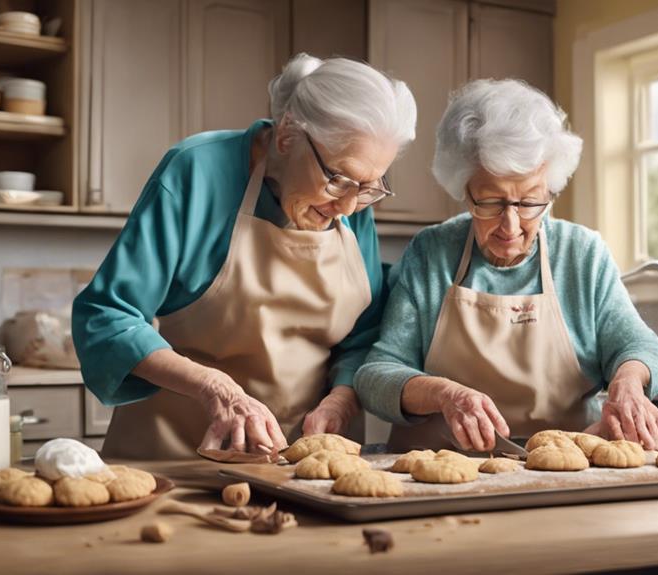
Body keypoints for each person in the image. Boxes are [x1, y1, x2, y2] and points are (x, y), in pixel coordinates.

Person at [73, 54, 417, 459]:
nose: (348, 207)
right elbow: (106, 316)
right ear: (288, 135)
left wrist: (342, 397)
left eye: (369, 187)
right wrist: (215, 388)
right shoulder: (196, 170)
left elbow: (362, 336)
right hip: (178, 459)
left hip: (303, 467)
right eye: (337, 179)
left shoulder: (350, 201)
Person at [355, 79, 658, 453]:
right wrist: (444, 393)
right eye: (490, 202)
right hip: (439, 473)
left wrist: (628, 383)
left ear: (550, 189)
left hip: (563, 470)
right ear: (464, 189)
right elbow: (375, 376)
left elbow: (645, 349)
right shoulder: (431, 253)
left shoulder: (582, 255)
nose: (510, 225)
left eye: (528, 203)